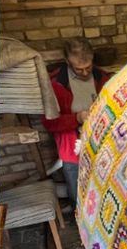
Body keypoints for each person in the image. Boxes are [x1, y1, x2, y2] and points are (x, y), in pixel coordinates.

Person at [40, 38, 112, 207]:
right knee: (78, 196)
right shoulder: (56, 85)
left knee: (104, 192)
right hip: (73, 150)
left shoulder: (101, 77)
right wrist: (77, 118)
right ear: (67, 62)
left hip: (102, 147)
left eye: (88, 67)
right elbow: (49, 123)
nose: (86, 73)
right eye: (79, 69)